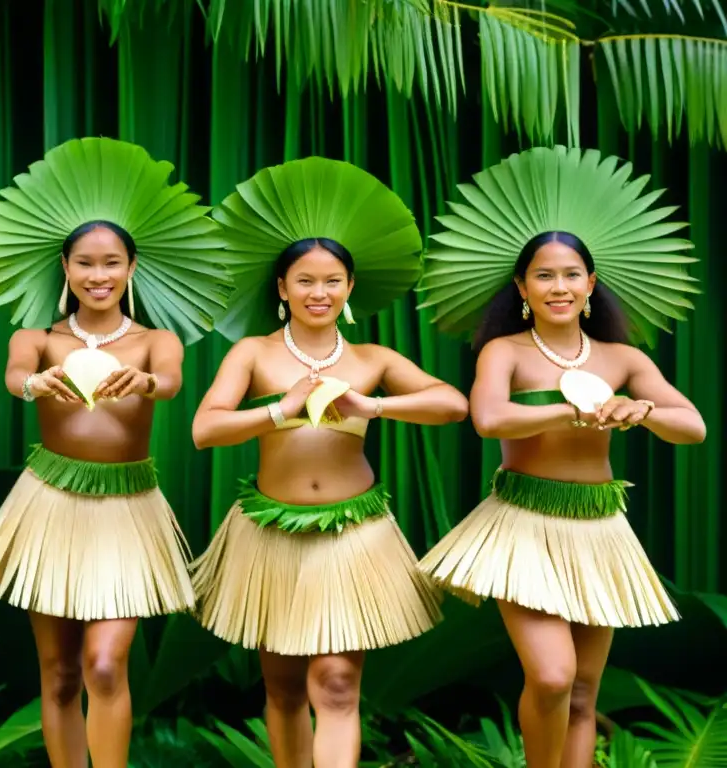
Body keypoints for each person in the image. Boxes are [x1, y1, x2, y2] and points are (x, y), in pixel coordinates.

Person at [416, 146, 706, 768]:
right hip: (523, 523)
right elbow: (488, 417)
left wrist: (644, 410)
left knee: (581, 690)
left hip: (599, 528)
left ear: (591, 284)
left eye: (572, 273)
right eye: (544, 275)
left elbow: (695, 427)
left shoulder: (622, 360)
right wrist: (567, 411)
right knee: (550, 676)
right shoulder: (505, 352)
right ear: (522, 287)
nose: (559, 286)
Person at [0, 137, 232, 768]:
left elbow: (168, 382)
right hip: (48, 501)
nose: (99, 275)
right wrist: (33, 383)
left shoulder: (155, 341)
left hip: (127, 504)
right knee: (57, 672)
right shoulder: (38, 338)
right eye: (85, 262)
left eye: (111, 262)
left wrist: (143, 383)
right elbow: (13, 376)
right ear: (65, 267)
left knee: (105, 664)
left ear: (132, 269)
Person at [190, 157, 468, 768]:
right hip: (272, 533)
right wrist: (280, 411)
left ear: (349, 288)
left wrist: (372, 403)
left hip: (353, 533)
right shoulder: (253, 354)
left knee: (338, 684)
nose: (320, 292)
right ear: (282, 287)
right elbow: (204, 430)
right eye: (306, 280)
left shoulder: (371, 357)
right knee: (285, 689)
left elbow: (452, 404)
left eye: (333, 280)